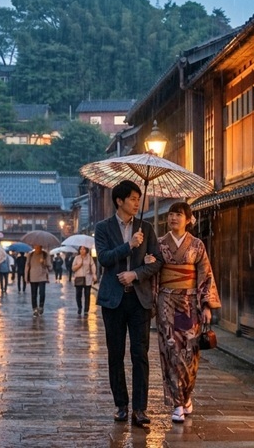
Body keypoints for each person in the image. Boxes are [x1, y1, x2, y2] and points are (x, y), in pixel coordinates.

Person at [146, 202, 221, 424]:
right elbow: (153, 273)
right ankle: (177, 403)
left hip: (189, 302)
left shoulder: (197, 245)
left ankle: (186, 396)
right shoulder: (159, 244)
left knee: (190, 350)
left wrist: (206, 306)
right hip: (166, 300)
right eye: (171, 214)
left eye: (178, 214)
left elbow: (205, 274)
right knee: (170, 348)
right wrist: (148, 262)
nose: (173, 218)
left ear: (188, 219)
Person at [95, 179, 161, 428]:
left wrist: (136, 274)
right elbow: (104, 258)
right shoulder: (103, 228)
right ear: (119, 201)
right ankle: (121, 405)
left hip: (139, 299)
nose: (137, 203)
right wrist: (129, 245)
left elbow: (157, 261)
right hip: (113, 300)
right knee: (115, 353)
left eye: (138, 199)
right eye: (133, 199)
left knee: (140, 354)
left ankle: (140, 409)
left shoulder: (147, 228)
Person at [26, 245, 51, 316]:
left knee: (42, 293)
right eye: (36, 247)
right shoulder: (30, 255)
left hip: (42, 277)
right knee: (34, 294)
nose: (37, 249)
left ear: (41, 247)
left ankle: (41, 306)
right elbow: (27, 266)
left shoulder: (45, 254)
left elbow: (50, 266)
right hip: (33, 277)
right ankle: (34, 308)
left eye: (39, 247)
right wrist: (26, 278)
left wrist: (44, 262)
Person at [71, 245, 97, 315]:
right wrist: (79, 265)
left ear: (86, 250)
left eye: (84, 249)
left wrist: (94, 274)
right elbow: (73, 268)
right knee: (78, 294)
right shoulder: (77, 258)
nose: (82, 251)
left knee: (87, 295)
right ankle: (79, 307)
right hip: (79, 278)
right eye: (81, 249)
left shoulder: (90, 258)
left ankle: (86, 310)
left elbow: (93, 266)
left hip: (87, 278)